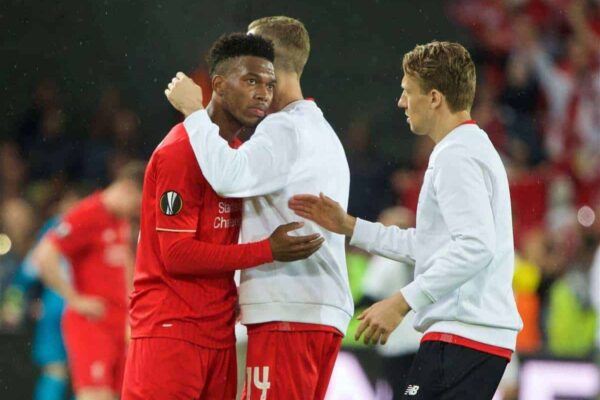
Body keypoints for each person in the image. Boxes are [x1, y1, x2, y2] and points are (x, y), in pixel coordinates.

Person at [289, 41, 523, 399]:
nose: (401, 103)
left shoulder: (456, 155)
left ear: (433, 97)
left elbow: (476, 247)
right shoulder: (466, 148)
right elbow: (432, 245)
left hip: (464, 335)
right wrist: (350, 225)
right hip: (469, 335)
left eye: (406, 92)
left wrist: (401, 302)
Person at [123, 33, 323, 400]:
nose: (263, 93)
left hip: (218, 334)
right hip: (171, 331)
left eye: (269, 83)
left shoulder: (234, 158)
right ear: (217, 85)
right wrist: (267, 250)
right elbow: (177, 255)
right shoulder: (180, 152)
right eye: (250, 81)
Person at [165, 16, 353, 399]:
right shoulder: (321, 131)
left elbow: (229, 176)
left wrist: (193, 113)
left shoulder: (283, 129)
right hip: (314, 309)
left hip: (290, 310)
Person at [34, 161, 145, 400]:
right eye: (137, 204)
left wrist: (131, 309)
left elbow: (124, 263)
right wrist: (74, 299)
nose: (136, 211)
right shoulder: (87, 213)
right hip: (92, 324)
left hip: (118, 323)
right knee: (95, 395)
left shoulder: (119, 220)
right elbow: (44, 255)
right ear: (126, 188)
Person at [1, 190, 81, 400]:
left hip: (58, 309)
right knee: (81, 376)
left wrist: (12, 306)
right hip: (80, 309)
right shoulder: (90, 227)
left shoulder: (52, 229)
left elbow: (25, 276)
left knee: (56, 373)